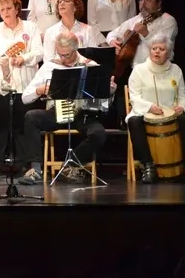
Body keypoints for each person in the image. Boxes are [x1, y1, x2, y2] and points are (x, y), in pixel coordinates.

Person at [19, 32, 116, 185]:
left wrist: (109, 90)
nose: (63, 59)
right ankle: (35, 169)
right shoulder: (50, 66)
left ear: (76, 49)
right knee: (31, 116)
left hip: (82, 114)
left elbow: (104, 103)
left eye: (67, 55)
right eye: (60, 54)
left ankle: (71, 165)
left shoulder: (90, 66)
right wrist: (39, 90)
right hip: (57, 112)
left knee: (99, 134)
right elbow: (25, 98)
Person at [0, 0, 43, 174]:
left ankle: (24, 162)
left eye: (9, 8)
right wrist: (2, 65)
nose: (6, 12)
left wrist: (24, 58)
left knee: (22, 123)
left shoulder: (30, 28)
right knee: (0, 123)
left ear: (17, 8)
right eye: (2, 9)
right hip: (2, 83)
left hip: (25, 84)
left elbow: (39, 52)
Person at [126, 34, 185, 184]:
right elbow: (134, 97)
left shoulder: (175, 70)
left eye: (161, 49)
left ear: (169, 52)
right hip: (145, 111)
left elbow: (183, 95)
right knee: (134, 121)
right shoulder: (139, 70)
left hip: (170, 111)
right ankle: (148, 165)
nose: (157, 52)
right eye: (154, 48)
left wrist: (182, 106)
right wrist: (149, 107)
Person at [106, 0, 178, 69]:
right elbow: (111, 34)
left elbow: (163, 47)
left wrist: (146, 34)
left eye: (148, 0)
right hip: (135, 69)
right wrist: (112, 41)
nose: (143, 3)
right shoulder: (135, 20)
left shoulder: (168, 20)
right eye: (141, 0)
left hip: (159, 69)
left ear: (159, 3)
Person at [42, 0, 107, 62]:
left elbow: (93, 56)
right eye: (60, 1)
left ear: (75, 7)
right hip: (59, 70)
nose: (62, 3)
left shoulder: (87, 30)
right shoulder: (50, 31)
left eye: (67, 1)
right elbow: (48, 59)